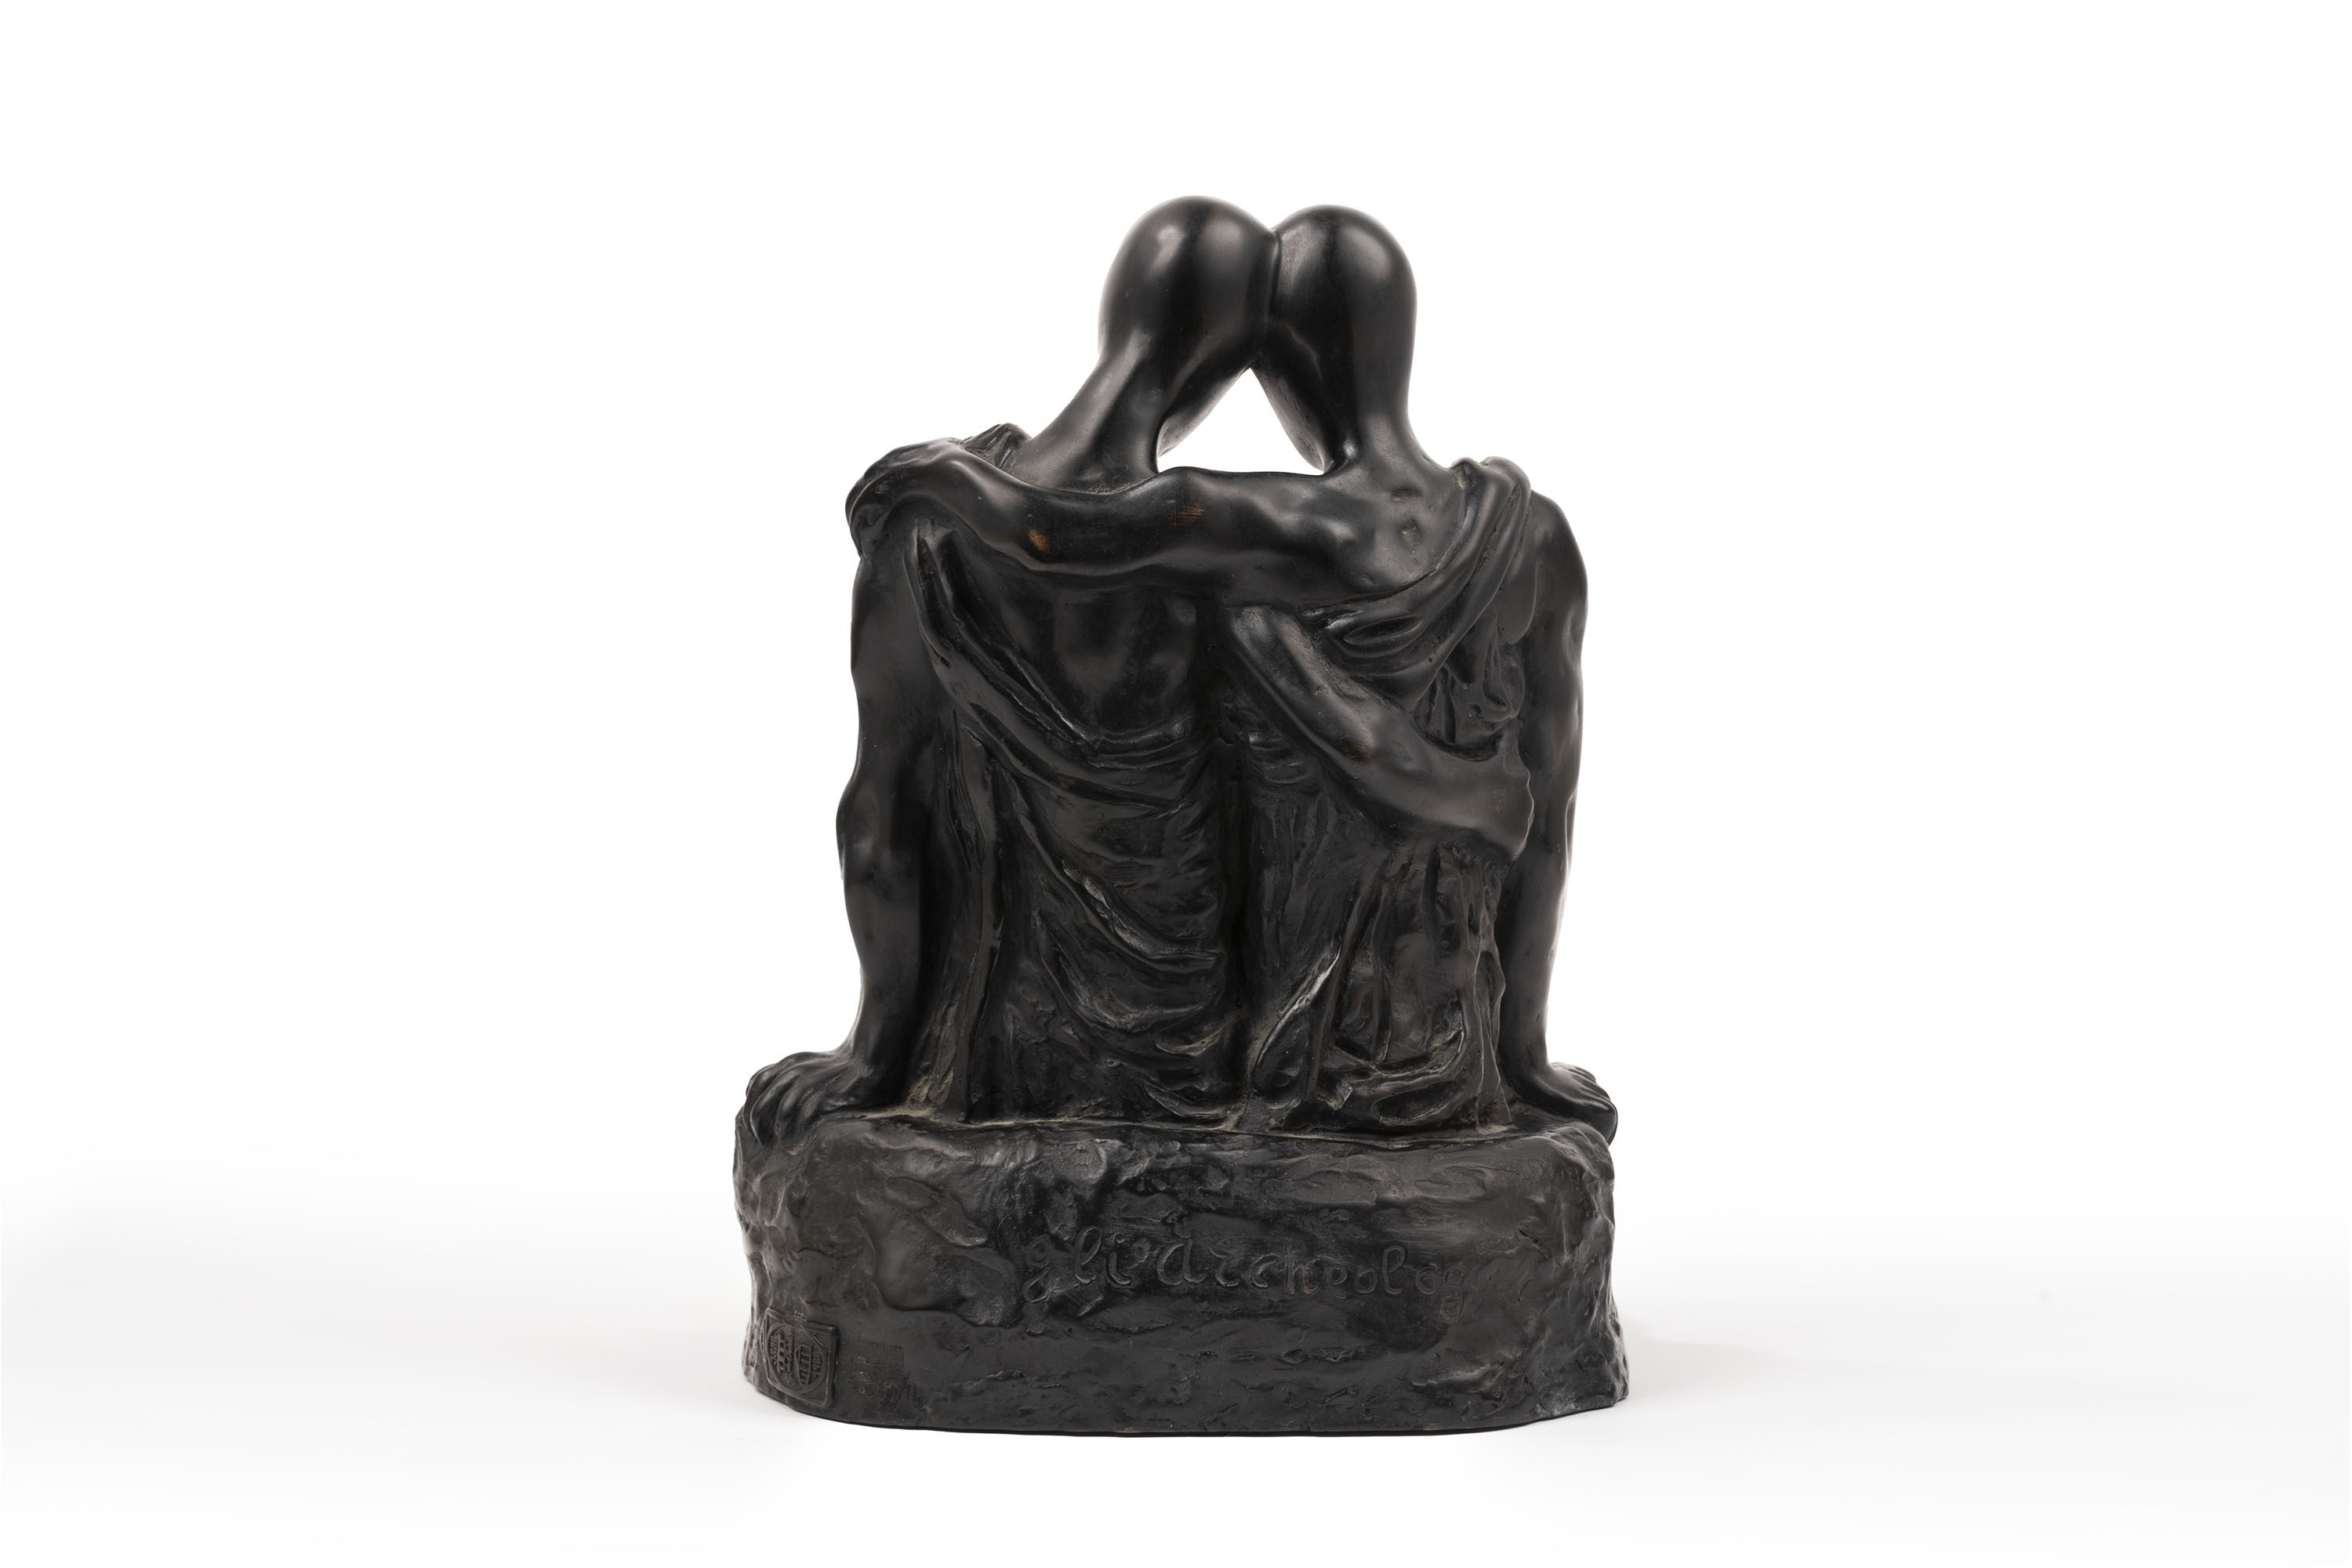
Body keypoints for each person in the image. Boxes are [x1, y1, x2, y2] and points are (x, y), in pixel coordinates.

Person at [851, 207, 1616, 1138]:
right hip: (1448, 1015)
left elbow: (1062, 533)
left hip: (1321, 1030)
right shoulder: (1535, 534)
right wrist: (1524, 1055)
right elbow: (1549, 816)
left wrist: (942, 477)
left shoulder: (1277, 527)